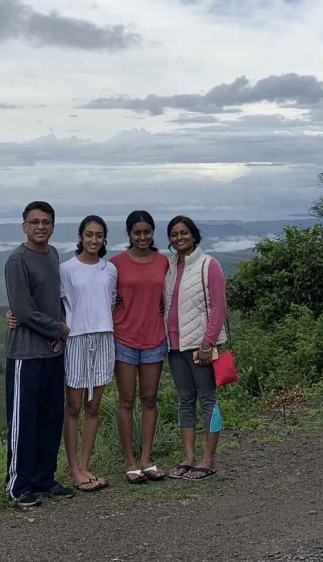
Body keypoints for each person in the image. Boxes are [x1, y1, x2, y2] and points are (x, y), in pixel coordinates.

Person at [3, 201, 72, 507]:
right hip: (26, 355)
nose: (41, 226)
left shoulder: (53, 254)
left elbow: (53, 299)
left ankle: (44, 479)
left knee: (50, 418)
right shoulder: (18, 260)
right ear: (24, 226)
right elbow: (23, 311)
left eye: (46, 222)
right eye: (35, 222)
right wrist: (57, 329)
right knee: (24, 420)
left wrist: (58, 332)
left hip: (52, 353)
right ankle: (18, 485)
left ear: (53, 226)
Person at [162, 215, 227, 480]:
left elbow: (219, 307)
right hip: (174, 346)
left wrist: (207, 342)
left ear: (193, 235)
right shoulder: (167, 266)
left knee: (208, 400)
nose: (179, 238)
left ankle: (208, 459)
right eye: (174, 234)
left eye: (184, 233)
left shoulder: (208, 265)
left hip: (199, 347)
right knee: (185, 401)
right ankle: (188, 457)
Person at [110, 210, 170, 484]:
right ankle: (130, 461)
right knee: (126, 400)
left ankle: (146, 459)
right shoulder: (115, 263)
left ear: (153, 232)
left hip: (154, 338)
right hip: (123, 337)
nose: (143, 237)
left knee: (149, 399)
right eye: (137, 232)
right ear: (129, 234)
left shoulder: (163, 262)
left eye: (147, 232)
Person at [58, 215, 118, 492]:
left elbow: (112, 302)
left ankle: (84, 465)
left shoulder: (110, 270)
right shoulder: (66, 269)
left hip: (104, 337)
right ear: (80, 236)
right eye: (89, 234)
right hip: (77, 338)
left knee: (93, 406)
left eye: (99, 235)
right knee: (73, 406)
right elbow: (55, 303)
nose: (94, 240)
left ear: (105, 239)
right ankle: (72, 469)